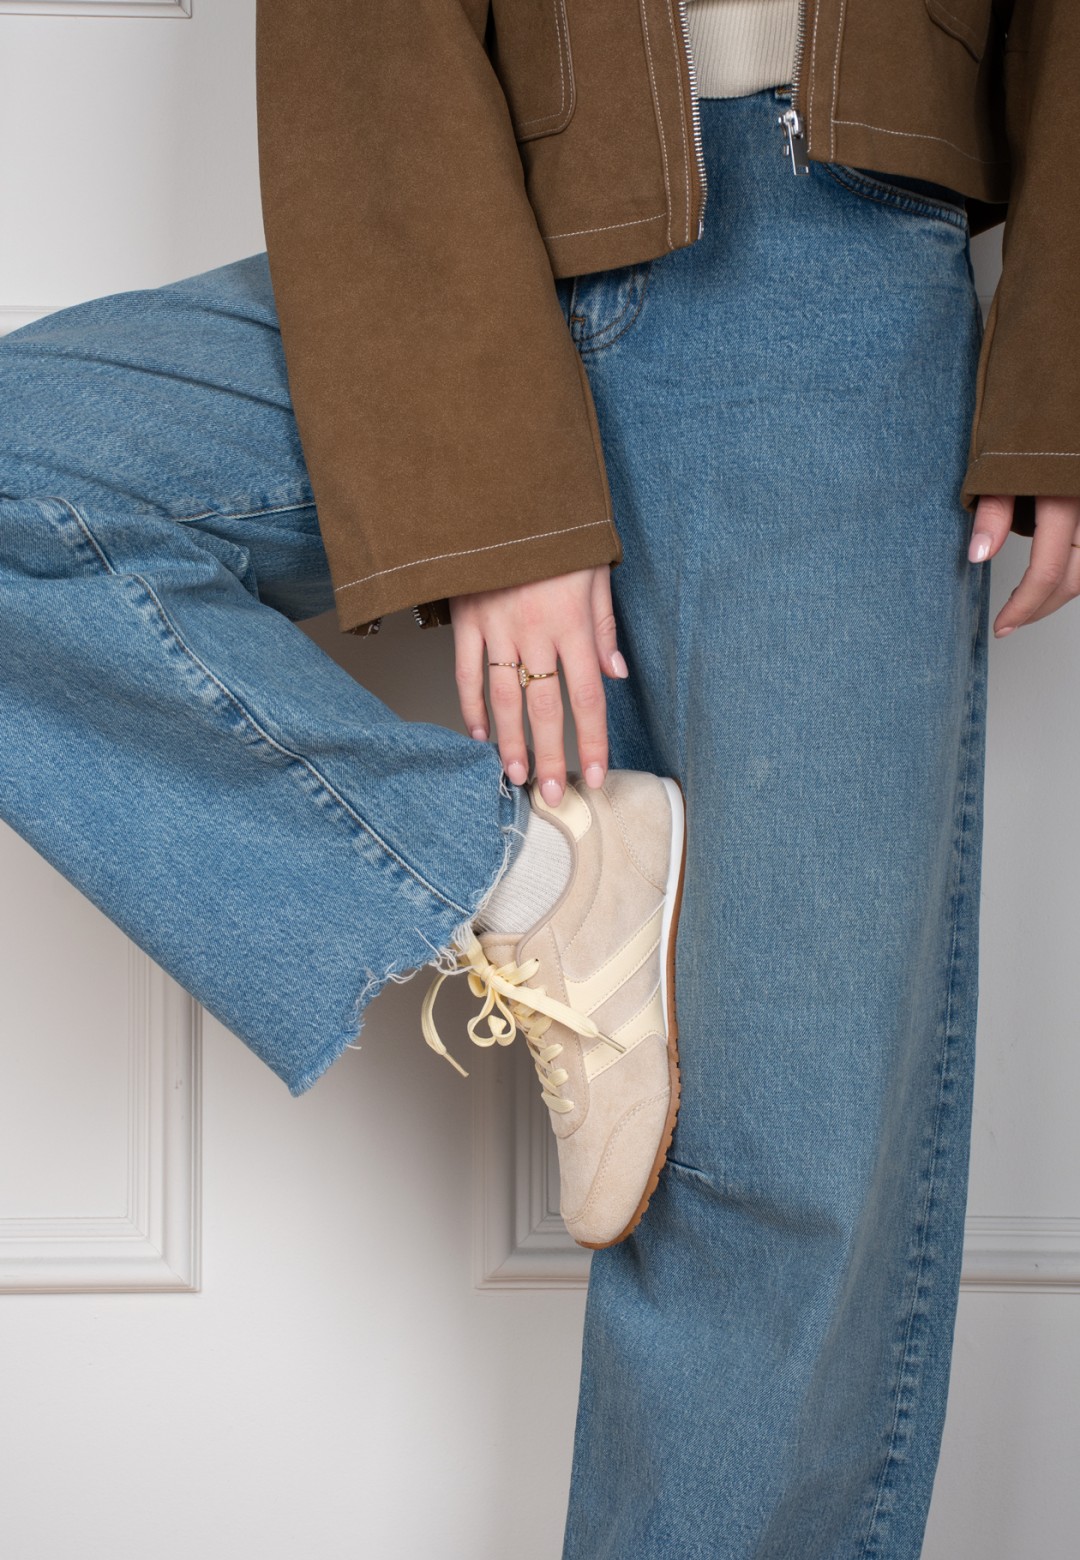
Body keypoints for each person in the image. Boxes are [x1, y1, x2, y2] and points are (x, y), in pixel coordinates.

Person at [1, 1, 1077, 1555]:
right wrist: (491, 484)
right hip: (455, 254)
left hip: (829, 273)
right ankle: (533, 890)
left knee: (774, 1170)